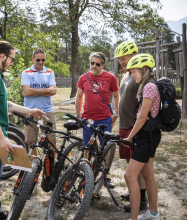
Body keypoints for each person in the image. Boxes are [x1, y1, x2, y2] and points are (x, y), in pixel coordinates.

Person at [0, 41, 45, 220]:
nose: (12, 63)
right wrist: (1, 138)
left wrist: (29, 111)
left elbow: (3, 104)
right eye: (11, 58)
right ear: (2, 56)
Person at [123, 53, 161, 220]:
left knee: (129, 175)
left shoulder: (149, 87)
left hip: (146, 136)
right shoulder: (150, 84)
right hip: (150, 135)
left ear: (144, 69)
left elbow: (142, 116)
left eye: (134, 72)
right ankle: (154, 213)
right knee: (148, 174)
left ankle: (134, 218)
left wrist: (130, 137)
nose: (132, 75)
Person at [75, 51, 119, 189]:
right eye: (92, 63)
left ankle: (104, 175)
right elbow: (78, 96)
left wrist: (116, 113)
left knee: (104, 148)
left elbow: (117, 96)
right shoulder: (83, 78)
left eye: (97, 64)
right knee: (87, 147)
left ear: (103, 64)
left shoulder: (110, 78)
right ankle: (86, 174)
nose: (94, 66)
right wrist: (78, 115)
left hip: (104, 118)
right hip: (88, 118)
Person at [115, 41, 148, 212]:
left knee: (137, 165)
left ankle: (142, 200)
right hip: (124, 123)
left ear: (134, 55)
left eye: (124, 58)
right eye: (120, 58)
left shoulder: (139, 76)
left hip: (133, 125)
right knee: (129, 160)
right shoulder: (127, 75)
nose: (121, 61)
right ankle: (134, 191)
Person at [21, 48, 57, 153]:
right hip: (30, 112)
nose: (41, 62)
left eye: (43, 60)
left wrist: (32, 91)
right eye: (38, 60)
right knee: (31, 142)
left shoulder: (50, 72)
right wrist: (47, 91)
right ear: (33, 59)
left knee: (52, 141)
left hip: (47, 111)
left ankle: (50, 168)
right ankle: (34, 166)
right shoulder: (26, 72)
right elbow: (27, 92)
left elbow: (53, 92)